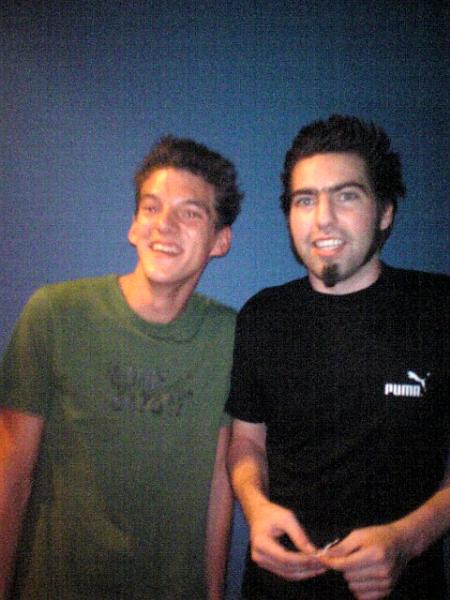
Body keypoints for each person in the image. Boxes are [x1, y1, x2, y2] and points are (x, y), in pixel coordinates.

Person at [0, 136, 243, 600]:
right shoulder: (55, 313)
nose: (164, 225)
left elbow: (219, 482)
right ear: (133, 226)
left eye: (190, 213)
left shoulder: (231, 337)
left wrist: (214, 592)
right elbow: (10, 477)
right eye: (151, 208)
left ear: (220, 240)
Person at [226, 115, 449, 599]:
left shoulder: (438, 310)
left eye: (346, 195)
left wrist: (407, 539)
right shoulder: (262, 316)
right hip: (276, 588)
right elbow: (247, 442)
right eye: (305, 200)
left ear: (385, 212)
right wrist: (256, 508)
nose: (322, 218)